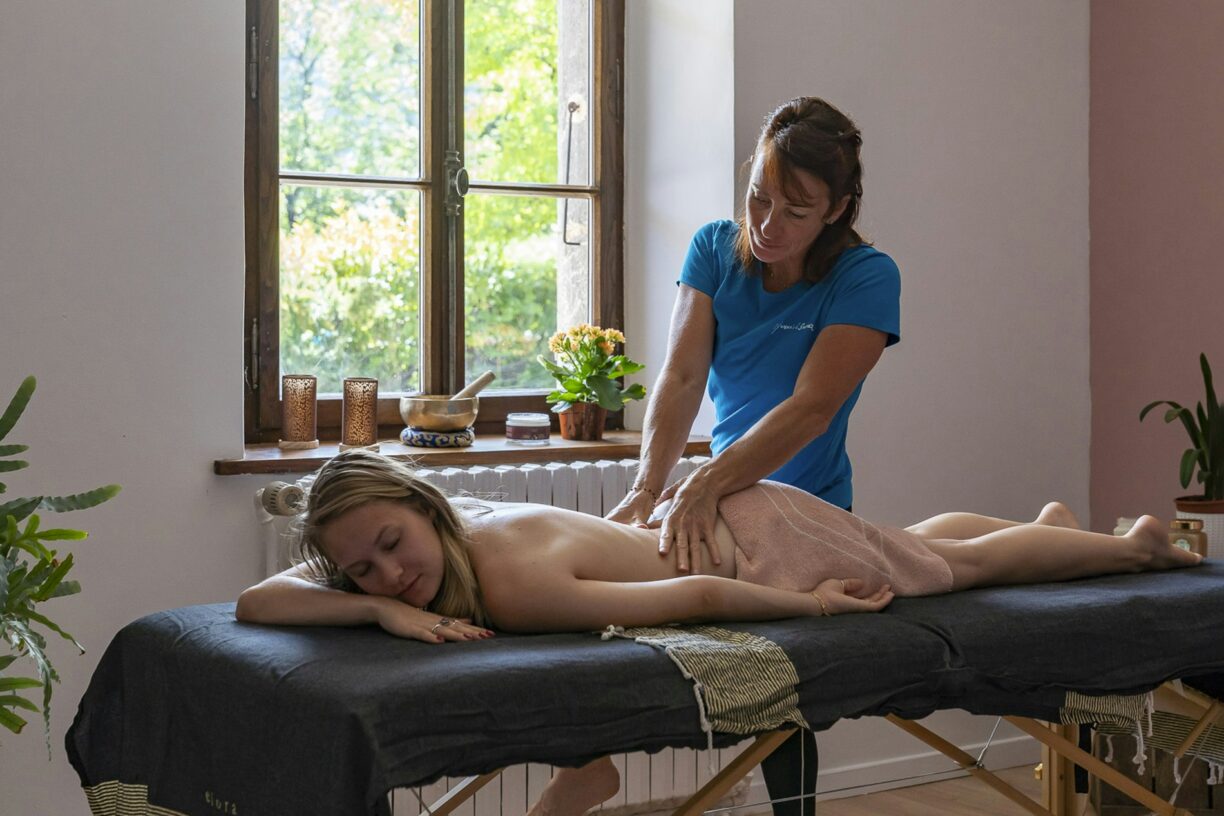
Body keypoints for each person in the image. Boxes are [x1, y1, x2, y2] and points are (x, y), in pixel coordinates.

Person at [236, 451, 1203, 816]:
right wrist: (377, 607)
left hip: (763, 547)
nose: (390, 573)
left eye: (392, 549)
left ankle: (1133, 550)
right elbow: (258, 601)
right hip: (726, 525)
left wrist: (812, 610)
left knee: (956, 571)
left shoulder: (512, 583)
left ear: (421, 506)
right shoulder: (434, 540)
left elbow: (690, 595)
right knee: (917, 545)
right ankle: (1053, 528)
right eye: (361, 570)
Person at [605, 96, 894, 813]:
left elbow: (811, 408)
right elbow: (681, 377)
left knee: (784, 693)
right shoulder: (713, 249)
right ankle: (590, 765)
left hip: (807, 511)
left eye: (795, 211)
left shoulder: (866, 275)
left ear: (837, 209)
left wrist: (703, 485)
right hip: (726, 499)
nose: (767, 225)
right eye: (758, 198)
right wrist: (648, 488)